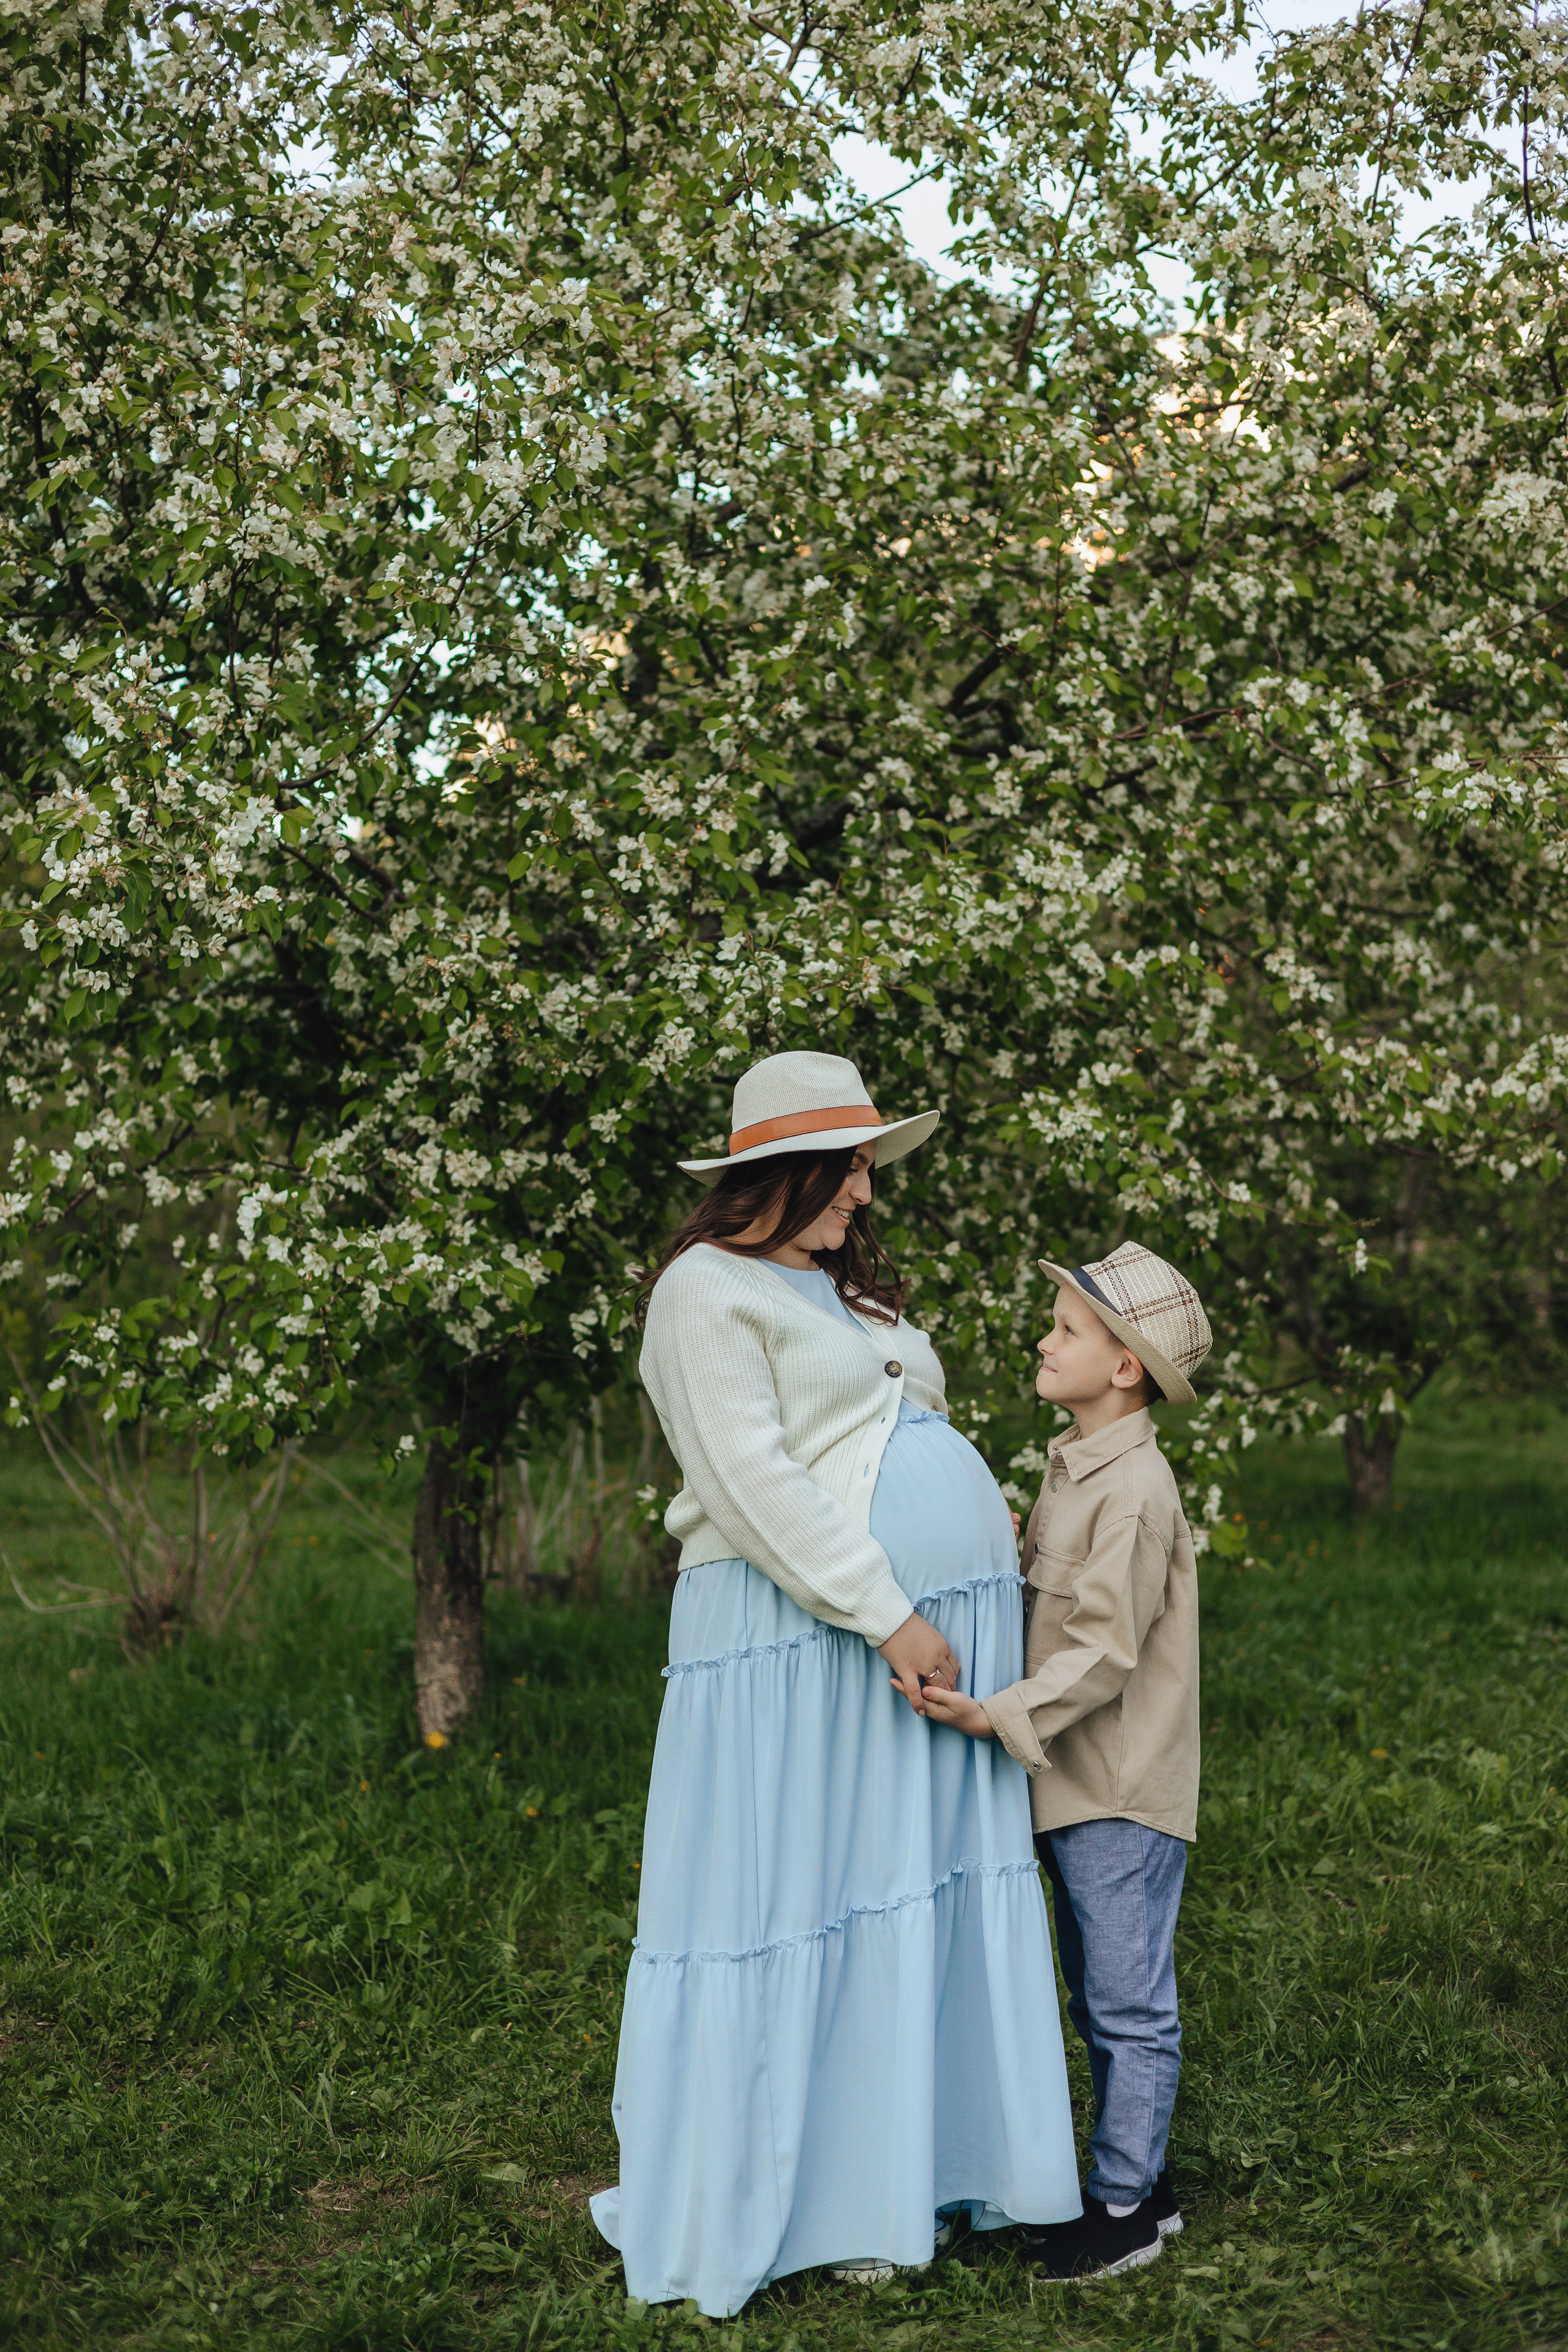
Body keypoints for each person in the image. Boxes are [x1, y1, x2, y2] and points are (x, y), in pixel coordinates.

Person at [590, 1050, 1080, 2317]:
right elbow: (750, 1480)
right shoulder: (702, 1291)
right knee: (804, 1889)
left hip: (906, 1639)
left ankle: (911, 2172)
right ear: (782, 1170)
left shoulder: (842, 1294)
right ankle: (805, 2197)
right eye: (850, 1166)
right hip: (802, 1639)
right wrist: (888, 1612)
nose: (867, 1191)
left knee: (900, 1884)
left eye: (868, 1165)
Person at [923, 1243, 1212, 2282]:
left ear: (1124, 1366)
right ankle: (1148, 2178)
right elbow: (1057, 1594)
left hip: (1119, 1787)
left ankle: (1126, 2208)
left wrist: (995, 1715)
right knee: (1097, 1989)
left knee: (1129, 2000)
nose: (1046, 1342)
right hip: (1074, 1781)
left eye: (1067, 1330)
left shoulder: (1132, 1488)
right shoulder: (1076, 1466)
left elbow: (1104, 1649)